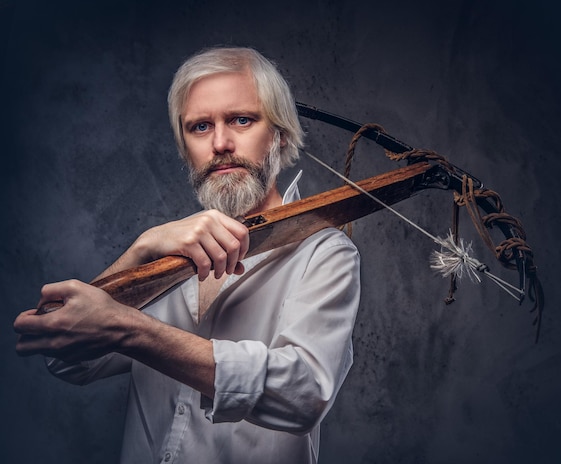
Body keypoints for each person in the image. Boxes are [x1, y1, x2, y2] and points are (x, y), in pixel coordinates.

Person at [14, 47, 361, 464]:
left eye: (241, 120)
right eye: (200, 127)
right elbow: (64, 358)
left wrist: (130, 329)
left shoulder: (324, 254)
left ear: (280, 134)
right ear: (185, 147)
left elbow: (302, 394)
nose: (220, 143)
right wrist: (141, 249)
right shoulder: (166, 250)